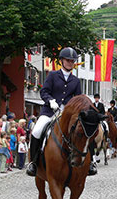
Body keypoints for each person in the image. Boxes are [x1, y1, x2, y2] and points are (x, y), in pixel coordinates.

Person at [26, 47, 81, 176]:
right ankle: (33, 163)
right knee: (37, 131)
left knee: (81, 132)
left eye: (72, 61)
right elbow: (44, 91)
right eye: (68, 60)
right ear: (61, 61)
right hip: (50, 112)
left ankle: (90, 163)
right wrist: (50, 101)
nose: (70, 63)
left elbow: (78, 99)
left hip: (66, 114)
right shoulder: (53, 75)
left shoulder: (76, 81)